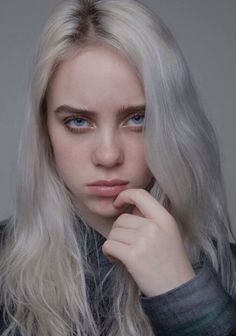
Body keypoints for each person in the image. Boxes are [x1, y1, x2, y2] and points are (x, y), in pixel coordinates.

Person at [0, 0, 236, 335]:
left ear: (172, 124)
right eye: (78, 121)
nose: (108, 155)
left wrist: (185, 297)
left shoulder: (227, 274)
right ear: (44, 130)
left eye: (137, 119)